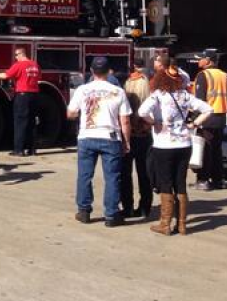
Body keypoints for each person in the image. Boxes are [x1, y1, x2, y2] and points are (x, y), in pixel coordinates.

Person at [138, 68, 212, 236]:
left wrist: (154, 121)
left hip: (164, 145)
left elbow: (142, 112)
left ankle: (165, 224)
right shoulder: (185, 96)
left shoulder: (157, 95)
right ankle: (182, 225)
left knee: (165, 182)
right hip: (184, 144)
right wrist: (194, 124)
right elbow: (208, 109)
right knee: (180, 182)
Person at [67, 56, 132, 227]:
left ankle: (84, 211)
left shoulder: (82, 90)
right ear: (109, 71)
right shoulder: (118, 91)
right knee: (112, 177)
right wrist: (126, 142)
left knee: (85, 175)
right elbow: (125, 121)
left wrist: (82, 114)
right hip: (110, 137)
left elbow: (70, 113)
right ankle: (111, 215)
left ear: (91, 71)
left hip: (87, 136)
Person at [0, 46, 41, 156]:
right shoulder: (35, 65)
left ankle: (19, 150)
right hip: (34, 95)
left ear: (21, 54)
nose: (15, 58)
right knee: (31, 122)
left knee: (20, 122)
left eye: (16, 55)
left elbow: (5, 75)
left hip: (22, 96)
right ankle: (32, 149)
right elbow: (38, 77)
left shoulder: (19, 65)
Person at [192, 50, 227, 191]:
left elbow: (199, 101)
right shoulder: (224, 75)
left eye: (200, 58)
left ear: (208, 60)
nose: (198, 61)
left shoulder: (203, 75)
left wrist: (194, 119)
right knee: (217, 150)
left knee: (205, 149)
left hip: (207, 117)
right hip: (221, 116)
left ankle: (203, 180)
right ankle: (219, 180)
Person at [122, 60, 153, 218]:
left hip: (129, 134)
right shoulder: (146, 83)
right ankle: (145, 207)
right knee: (144, 174)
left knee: (125, 174)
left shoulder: (128, 84)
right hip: (144, 135)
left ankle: (127, 207)